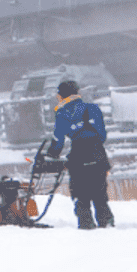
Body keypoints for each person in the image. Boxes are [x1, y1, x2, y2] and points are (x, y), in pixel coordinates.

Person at [47, 79, 114, 229]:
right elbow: (102, 135)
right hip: (98, 156)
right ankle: (107, 224)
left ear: (61, 96)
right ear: (77, 92)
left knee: (81, 197)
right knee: (100, 195)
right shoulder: (93, 109)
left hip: (78, 158)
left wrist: (52, 154)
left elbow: (58, 140)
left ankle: (86, 226)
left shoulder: (62, 113)